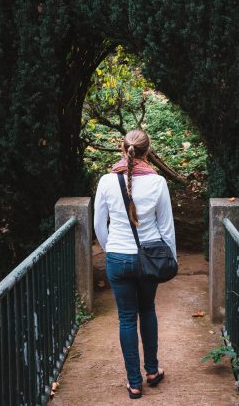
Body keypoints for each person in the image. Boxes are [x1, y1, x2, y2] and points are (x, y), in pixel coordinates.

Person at [94, 129, 176, 399]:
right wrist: (171, 258)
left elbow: (98, 224)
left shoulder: (106, 181)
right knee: (147, 310)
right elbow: (166, 228)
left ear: (122, 148)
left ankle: (134, 382)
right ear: (147, 151)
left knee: (126, 318)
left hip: (117, 258)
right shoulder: (158, 183)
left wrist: (111, 249)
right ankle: (152, 370)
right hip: (148, 259)